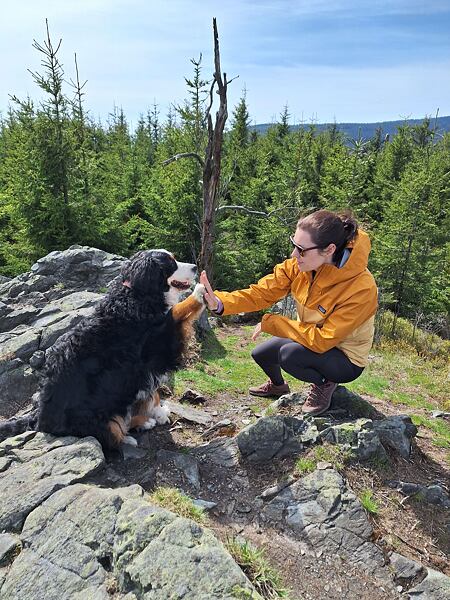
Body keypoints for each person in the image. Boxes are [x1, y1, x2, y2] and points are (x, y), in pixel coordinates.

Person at [200, 209, 378, 416]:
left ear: (329, 249)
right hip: (310, 338)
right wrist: (221, 303)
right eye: (294, 244)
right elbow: (262, 293)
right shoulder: (301, 265)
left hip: (345, 359)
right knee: (261, 354)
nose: (294, 255)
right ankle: (278, 386)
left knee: (288, 356)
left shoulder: (361, 288)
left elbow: (323, 340)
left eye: (301, 249)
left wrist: (274, 324)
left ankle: (325, 384)